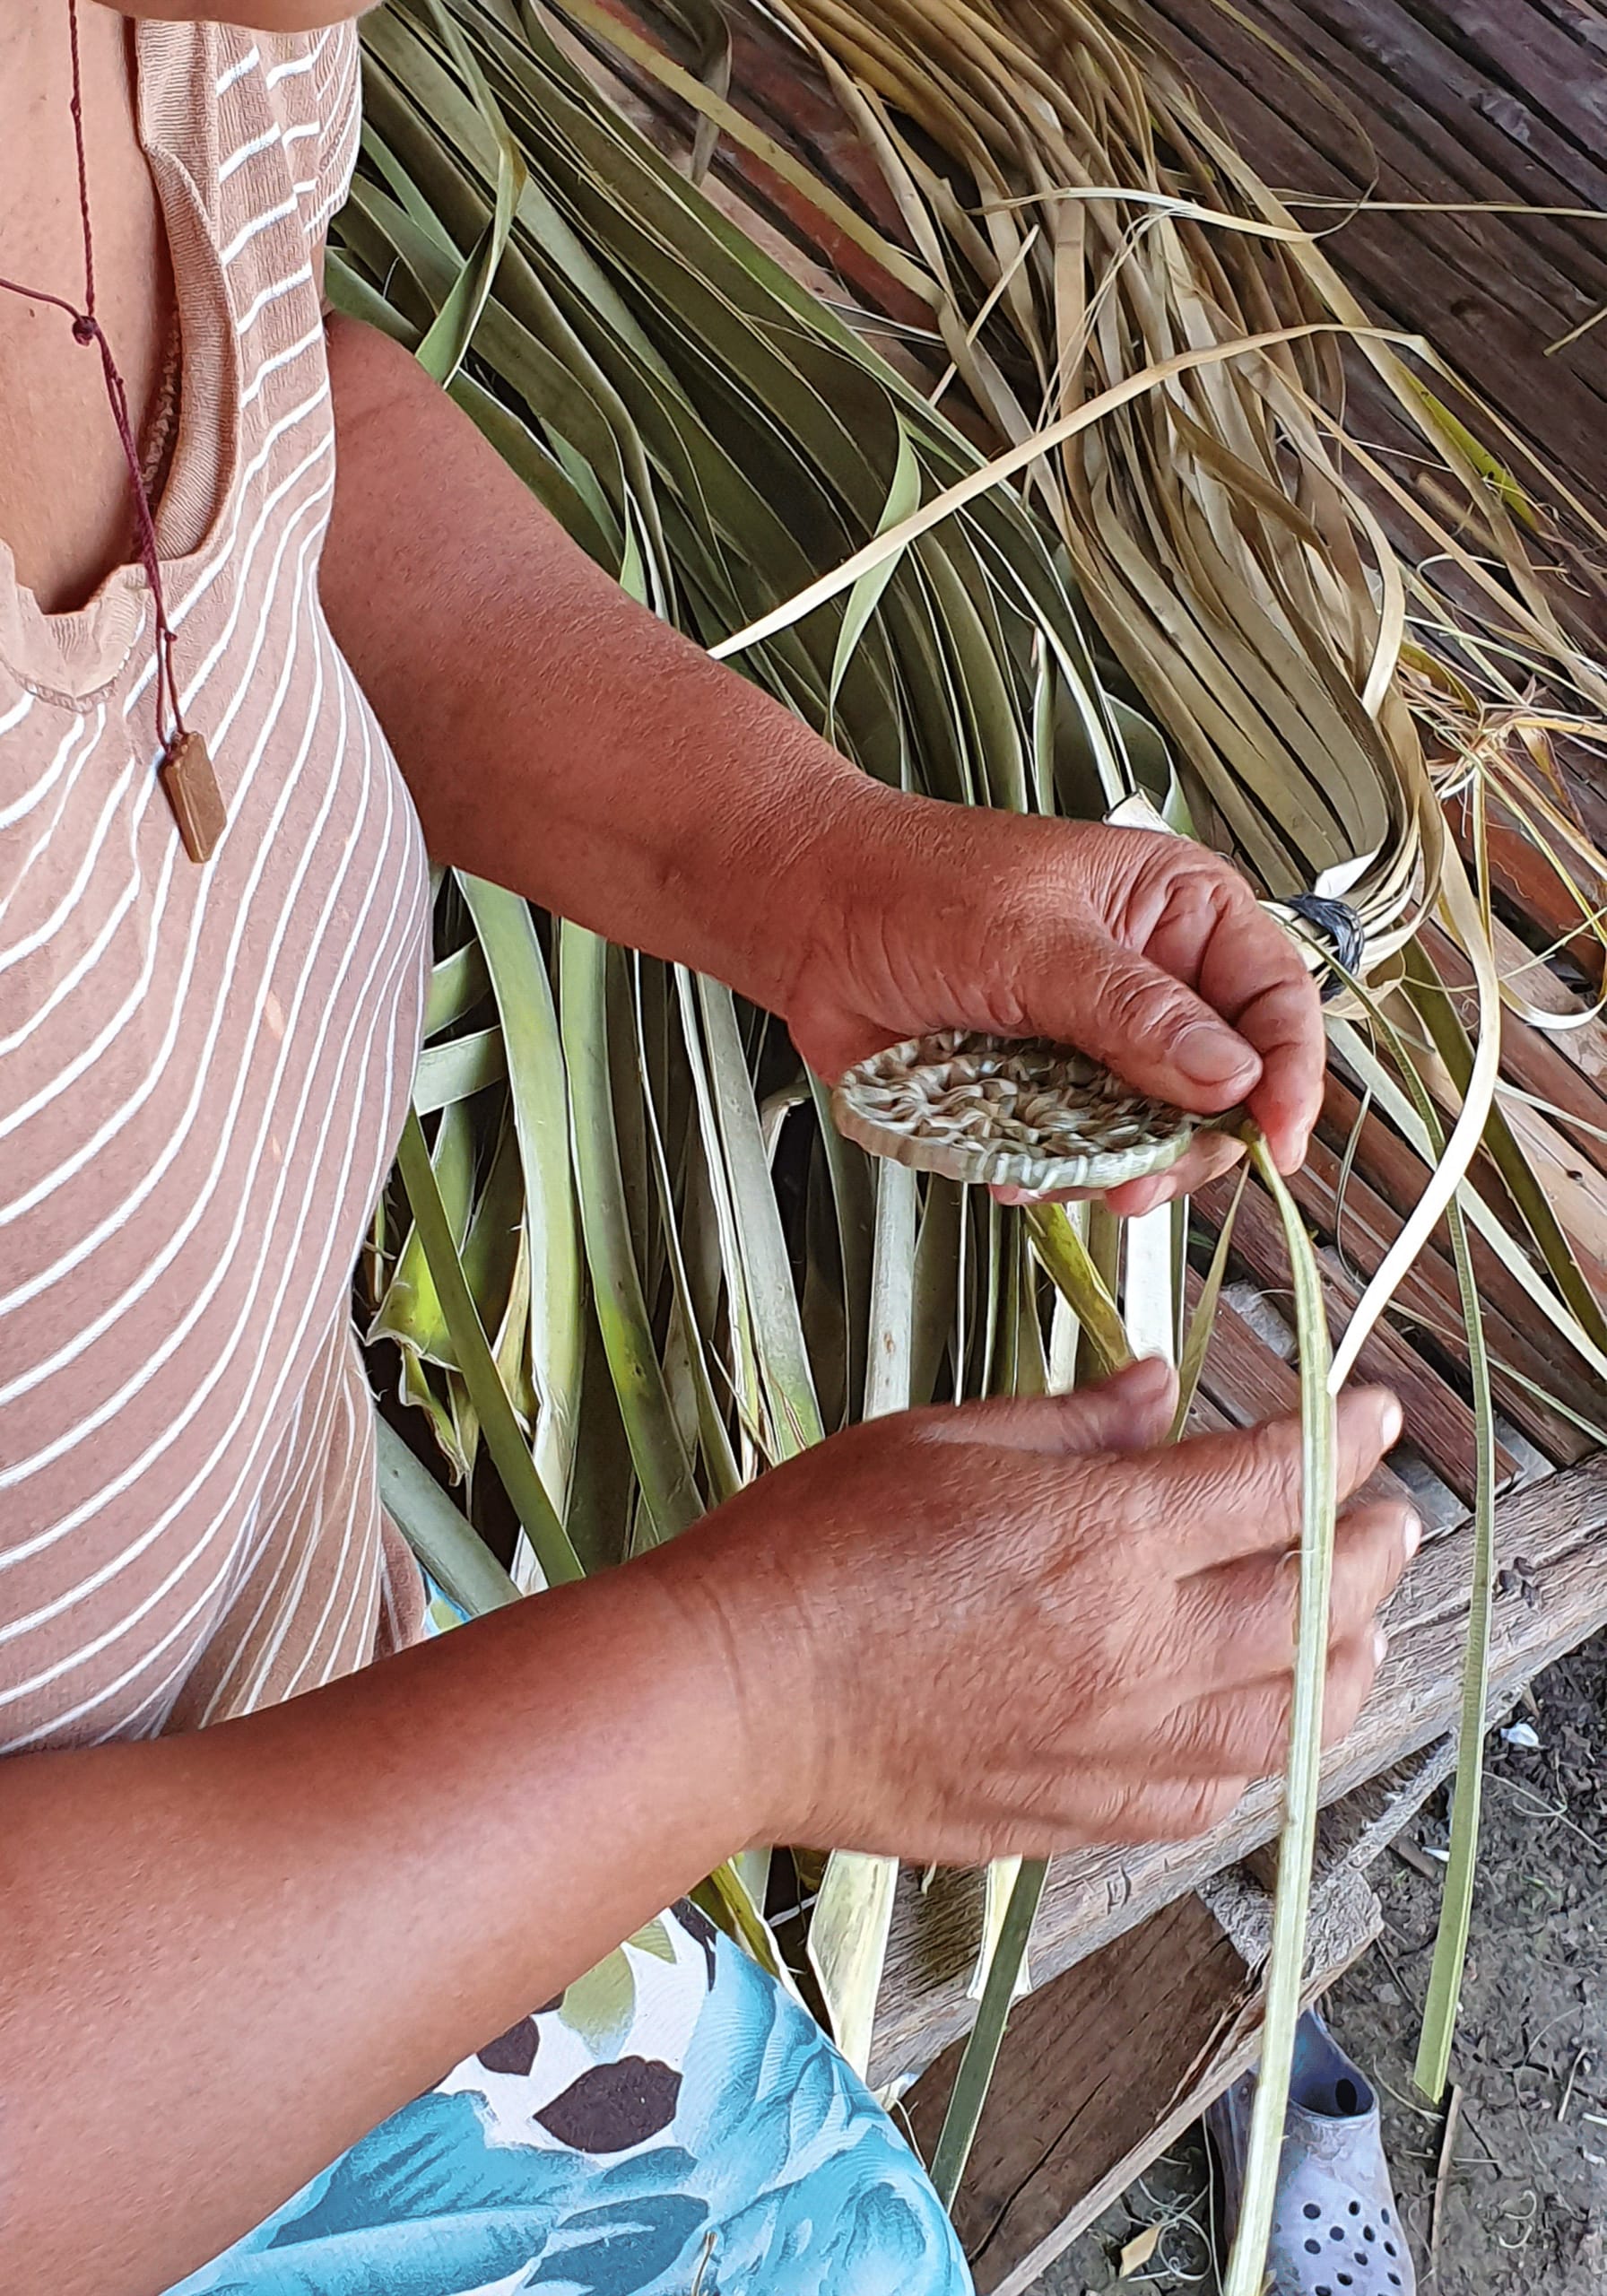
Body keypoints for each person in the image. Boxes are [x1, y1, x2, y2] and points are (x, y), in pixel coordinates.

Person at [0, 4, 1417, 2292]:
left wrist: (793, 850)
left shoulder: (185, 25)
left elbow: (284, 440)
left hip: (317, 1744)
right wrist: (747, 1693)